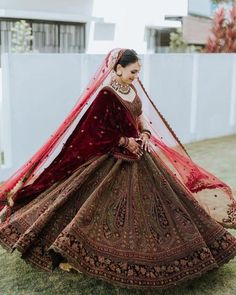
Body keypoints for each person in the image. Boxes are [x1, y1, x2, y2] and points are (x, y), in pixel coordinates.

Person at [0, 48, 236, 290]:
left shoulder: (131, 89)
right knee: (92, 206)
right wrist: (125, 142)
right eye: (133, 71)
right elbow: (98, 131)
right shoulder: (106, 94)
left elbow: (140, 115)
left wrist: (144, 133)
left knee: (162, 205)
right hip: (112, 159)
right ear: (118, 68)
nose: (136, 75)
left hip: (141, 157)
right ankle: (71, 250)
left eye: (138, 71)